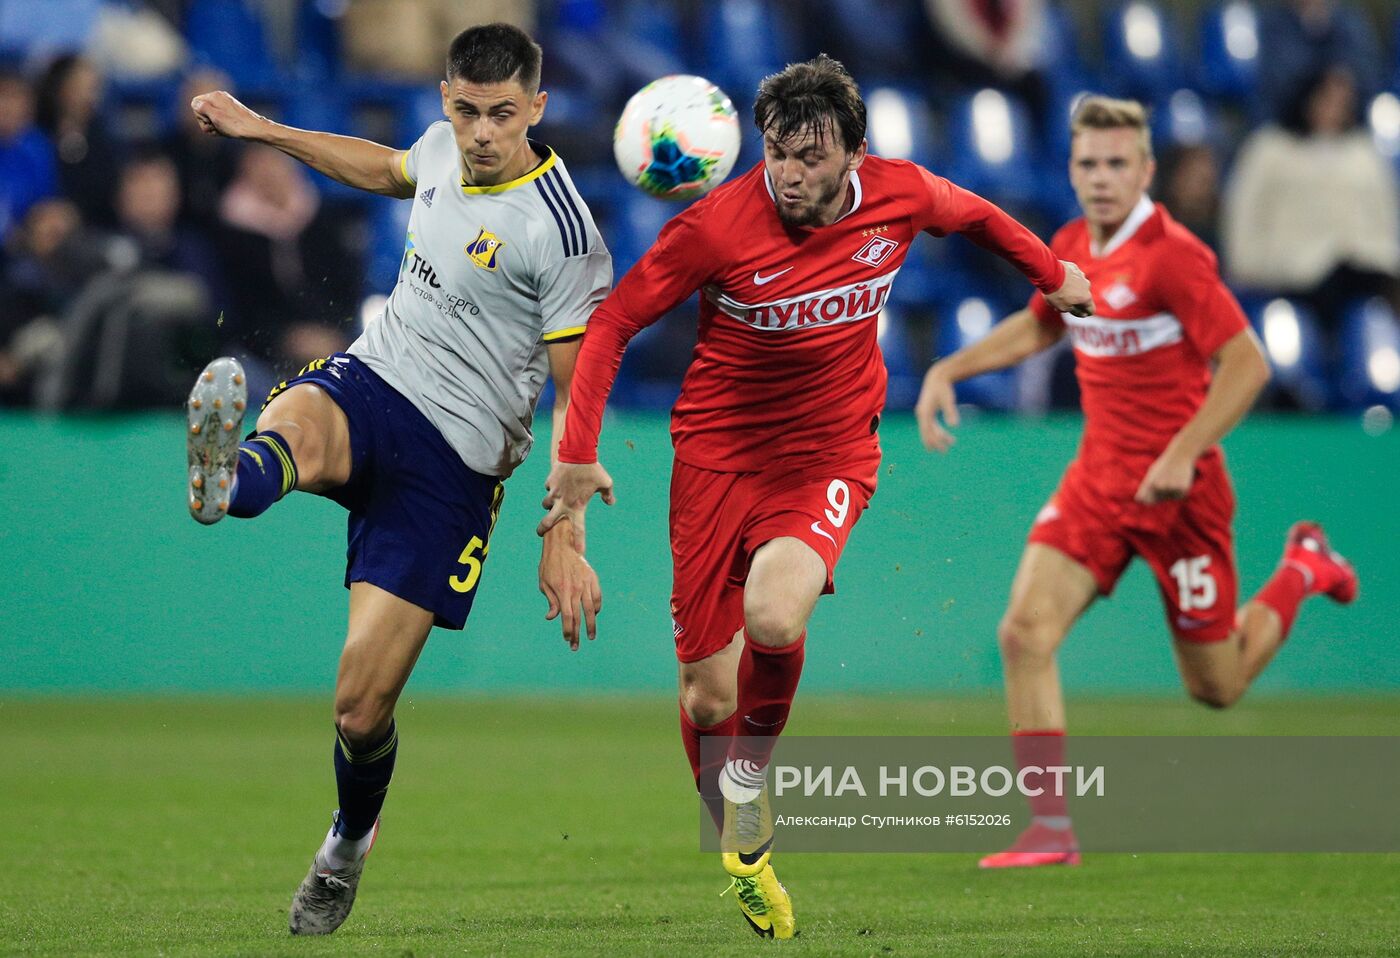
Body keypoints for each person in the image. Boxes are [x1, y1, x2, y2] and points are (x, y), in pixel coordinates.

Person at [539, 55, 1093, 938]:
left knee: (775, 616)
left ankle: (751, 782)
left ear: (853, 157)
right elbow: (611, 324)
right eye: (776, 153)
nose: (789, 173)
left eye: (810, 156)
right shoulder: (718, 226)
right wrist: (576, 452)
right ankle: (741, 842)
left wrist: (1052, 272)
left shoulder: (900, 195)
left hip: (830, 452)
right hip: (717, 458)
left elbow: (981, 216)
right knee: (706, 699)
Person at [182, 23, 607, 935]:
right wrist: (264, 129)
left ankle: (348, 839)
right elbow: (385, 170)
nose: (481, 132)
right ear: (446, 100)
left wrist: (562, 534)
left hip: (454, 466)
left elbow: (579, 393)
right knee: (290, 430)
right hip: (378, 380)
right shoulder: (446, 150)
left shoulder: (563, 233)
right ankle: (233, 479)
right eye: (464, 110)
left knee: (359, 705)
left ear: (535, 108)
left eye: (501, 114)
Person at [914, 96, 1359, 869]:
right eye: (1087, 163)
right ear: (1072, 169)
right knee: (1024, 633)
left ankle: (1301, 569)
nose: (1101, 177)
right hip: (1099, 481)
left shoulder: (1174, 255)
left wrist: (1184, 451)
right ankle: (1050, 829)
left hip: (1182, 495)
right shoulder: (1071, 242)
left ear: (1147, 171)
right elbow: (1044, 322)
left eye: (1118, 163)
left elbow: (1248, 363)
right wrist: (951, 365)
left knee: (1216, 687)